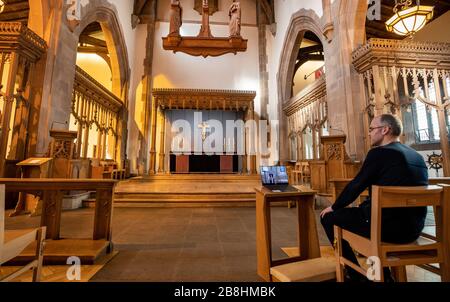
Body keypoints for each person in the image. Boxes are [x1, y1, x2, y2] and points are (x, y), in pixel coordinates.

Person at [320, 114, 428, 281]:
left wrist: (334, 207)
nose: (368, 133)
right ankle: (384, 275)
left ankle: (356, 277)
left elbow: (356, 185)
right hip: (413, 230)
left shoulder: (379, 153)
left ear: (385, 130)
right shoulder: (417, 156)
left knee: (328, 218)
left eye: (371, 129)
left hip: (386, 229)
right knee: (369, 214)